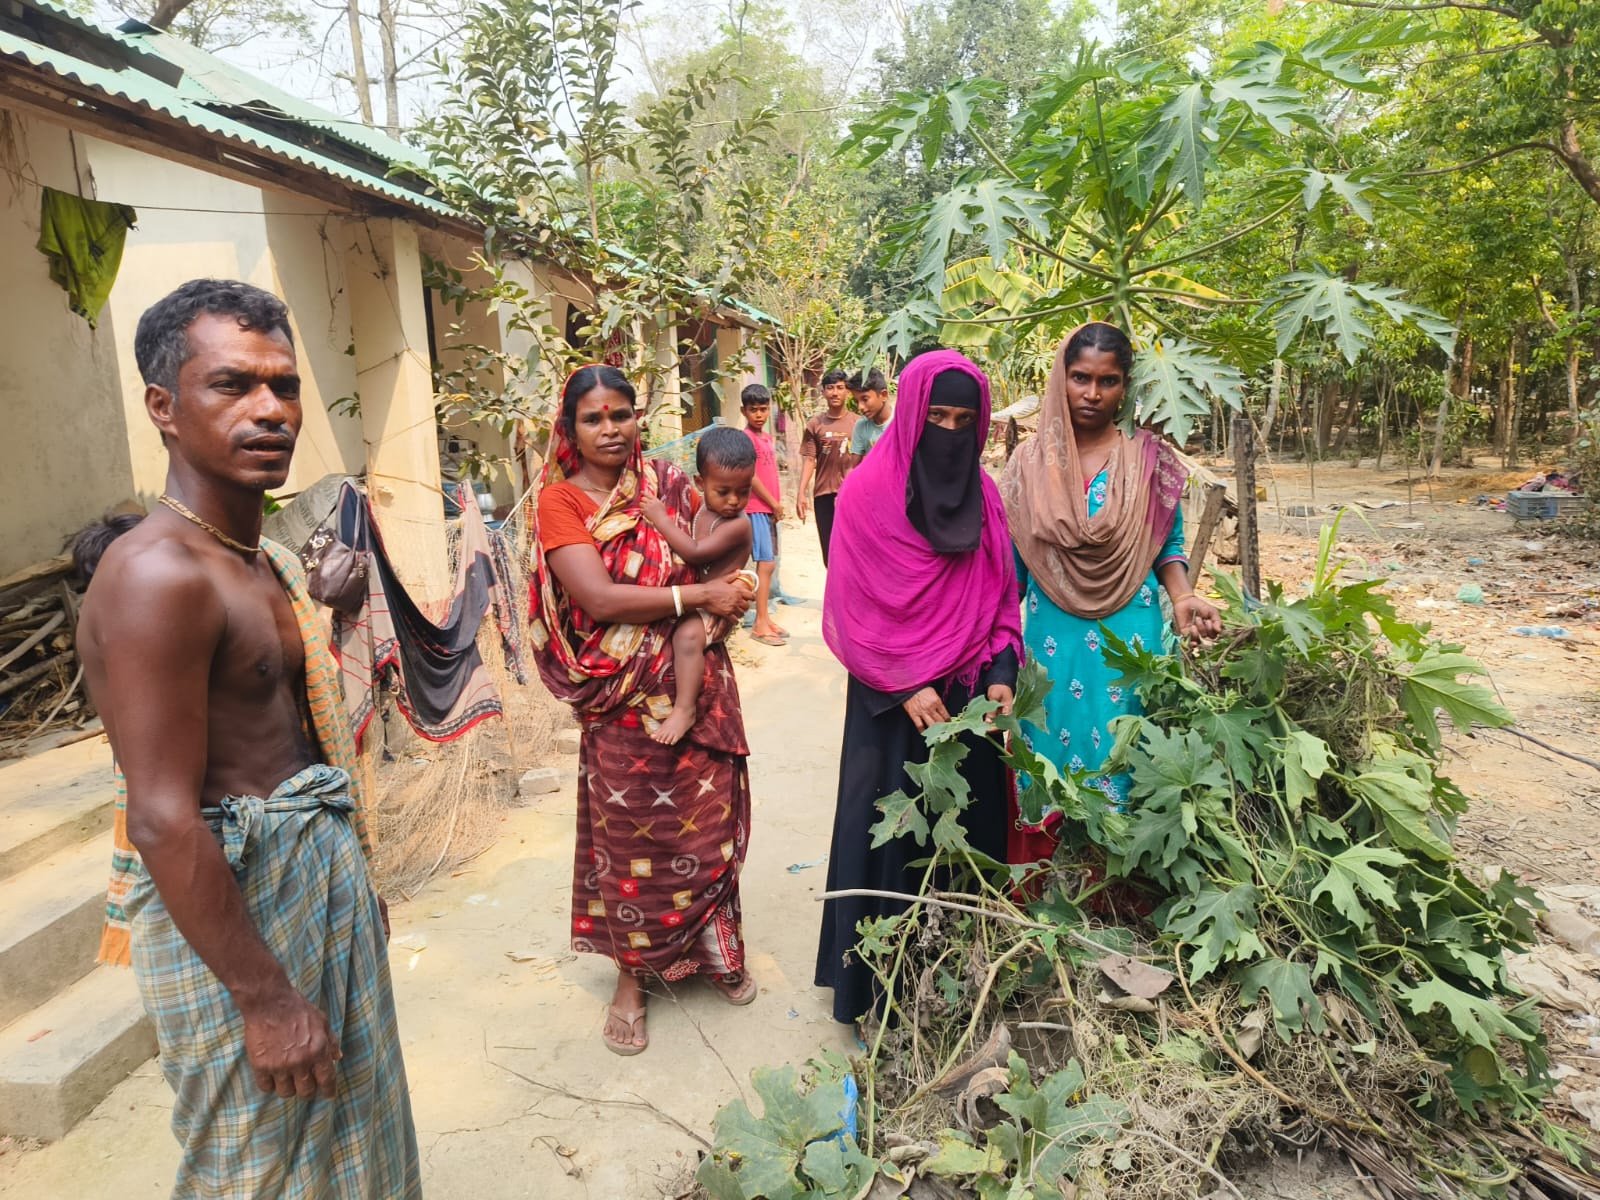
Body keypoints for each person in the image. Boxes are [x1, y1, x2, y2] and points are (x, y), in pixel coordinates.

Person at [77, 279, 420, 1198]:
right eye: (232, 386)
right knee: (254, 1166)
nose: (271, 410)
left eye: (285, 384)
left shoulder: (255, 556)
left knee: (356, 1136)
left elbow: (291, 735)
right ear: (164, 406)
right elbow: (160, 817)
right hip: (239, 909)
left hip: (313, 882)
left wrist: (350, 886)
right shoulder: (157, 575)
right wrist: (263, 997)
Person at [532, 364, 759, 1056]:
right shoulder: (560, 503)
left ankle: (717, 951)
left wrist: (741, 584)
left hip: (695, 680)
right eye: (594, 418)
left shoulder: (665, 485)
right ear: (570, 429)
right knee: (628, 839)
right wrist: (700, 600)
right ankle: (632, 981)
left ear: (639, 418)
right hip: (620, 698)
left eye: (622, 414)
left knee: (706, 823)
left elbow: (722, 537)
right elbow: (598, 600)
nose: (611, 429)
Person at [815, 350, 1023, 1026]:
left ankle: (963, 987)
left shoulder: (986, 500)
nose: (950, 432)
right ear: (910, 414)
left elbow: (999, 599)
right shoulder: (866, 497)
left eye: (966, 420)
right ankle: (879, 993)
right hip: (892, 710)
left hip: (966, 707)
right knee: (893, 844)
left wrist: (999, 675)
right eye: (937, 416)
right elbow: (854, 610)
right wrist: (906, 684)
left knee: (967, 841)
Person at [1001, 323, 1222, 846]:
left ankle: (1122, 894)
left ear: (1126, 386)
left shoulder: (1150, 459)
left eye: (1108, 380)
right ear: (1062, 377)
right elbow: (1013, 568)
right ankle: (1048, 894)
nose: (1092, 394)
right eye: (1080, 377)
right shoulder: (1028, 464)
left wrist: (1184, 596)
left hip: (1132, 633)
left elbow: (1166, 545)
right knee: (1047, 756)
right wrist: (993, 651)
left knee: (1128, 753)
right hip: (1052, 637)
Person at [642, 426, 758, 745]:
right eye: (724, 491)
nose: (734, 500)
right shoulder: (702, 509)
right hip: (703, 597)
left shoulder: (737, 525)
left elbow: (694, 553)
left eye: (744, 490)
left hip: (718, 604)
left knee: (687, 636)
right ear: (700, 483)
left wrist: (660, 519)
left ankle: (684, 708)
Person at [737, 384, 790, 644]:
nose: (759, 414)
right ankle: (759, 623)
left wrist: (776, 506)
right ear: (743, 411)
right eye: (753, 410)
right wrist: (774, 504)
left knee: (768, 564)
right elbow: (751, 476)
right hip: (756, 507)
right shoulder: (746, 439)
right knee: (765, 564)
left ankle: (765, 618)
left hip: (768, 509)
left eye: (763, 409)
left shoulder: (767, 438)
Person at [798, 368, 857, 566]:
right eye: (830, 388)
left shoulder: (859, 424)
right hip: (823, 496)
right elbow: (809, 460)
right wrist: (801, 494)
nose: (835, 393)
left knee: (853, 550)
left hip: (851, 496)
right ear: (823, 392)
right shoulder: (815, 425)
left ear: (847, 391)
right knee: (830, 554)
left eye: (840, 388)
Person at [847, 367, 893, 463]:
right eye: (856, 401)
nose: (860, 407)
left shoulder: (902, 422)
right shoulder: (861, 426)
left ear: (883, 395)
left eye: (865, 399)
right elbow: (853, 468)